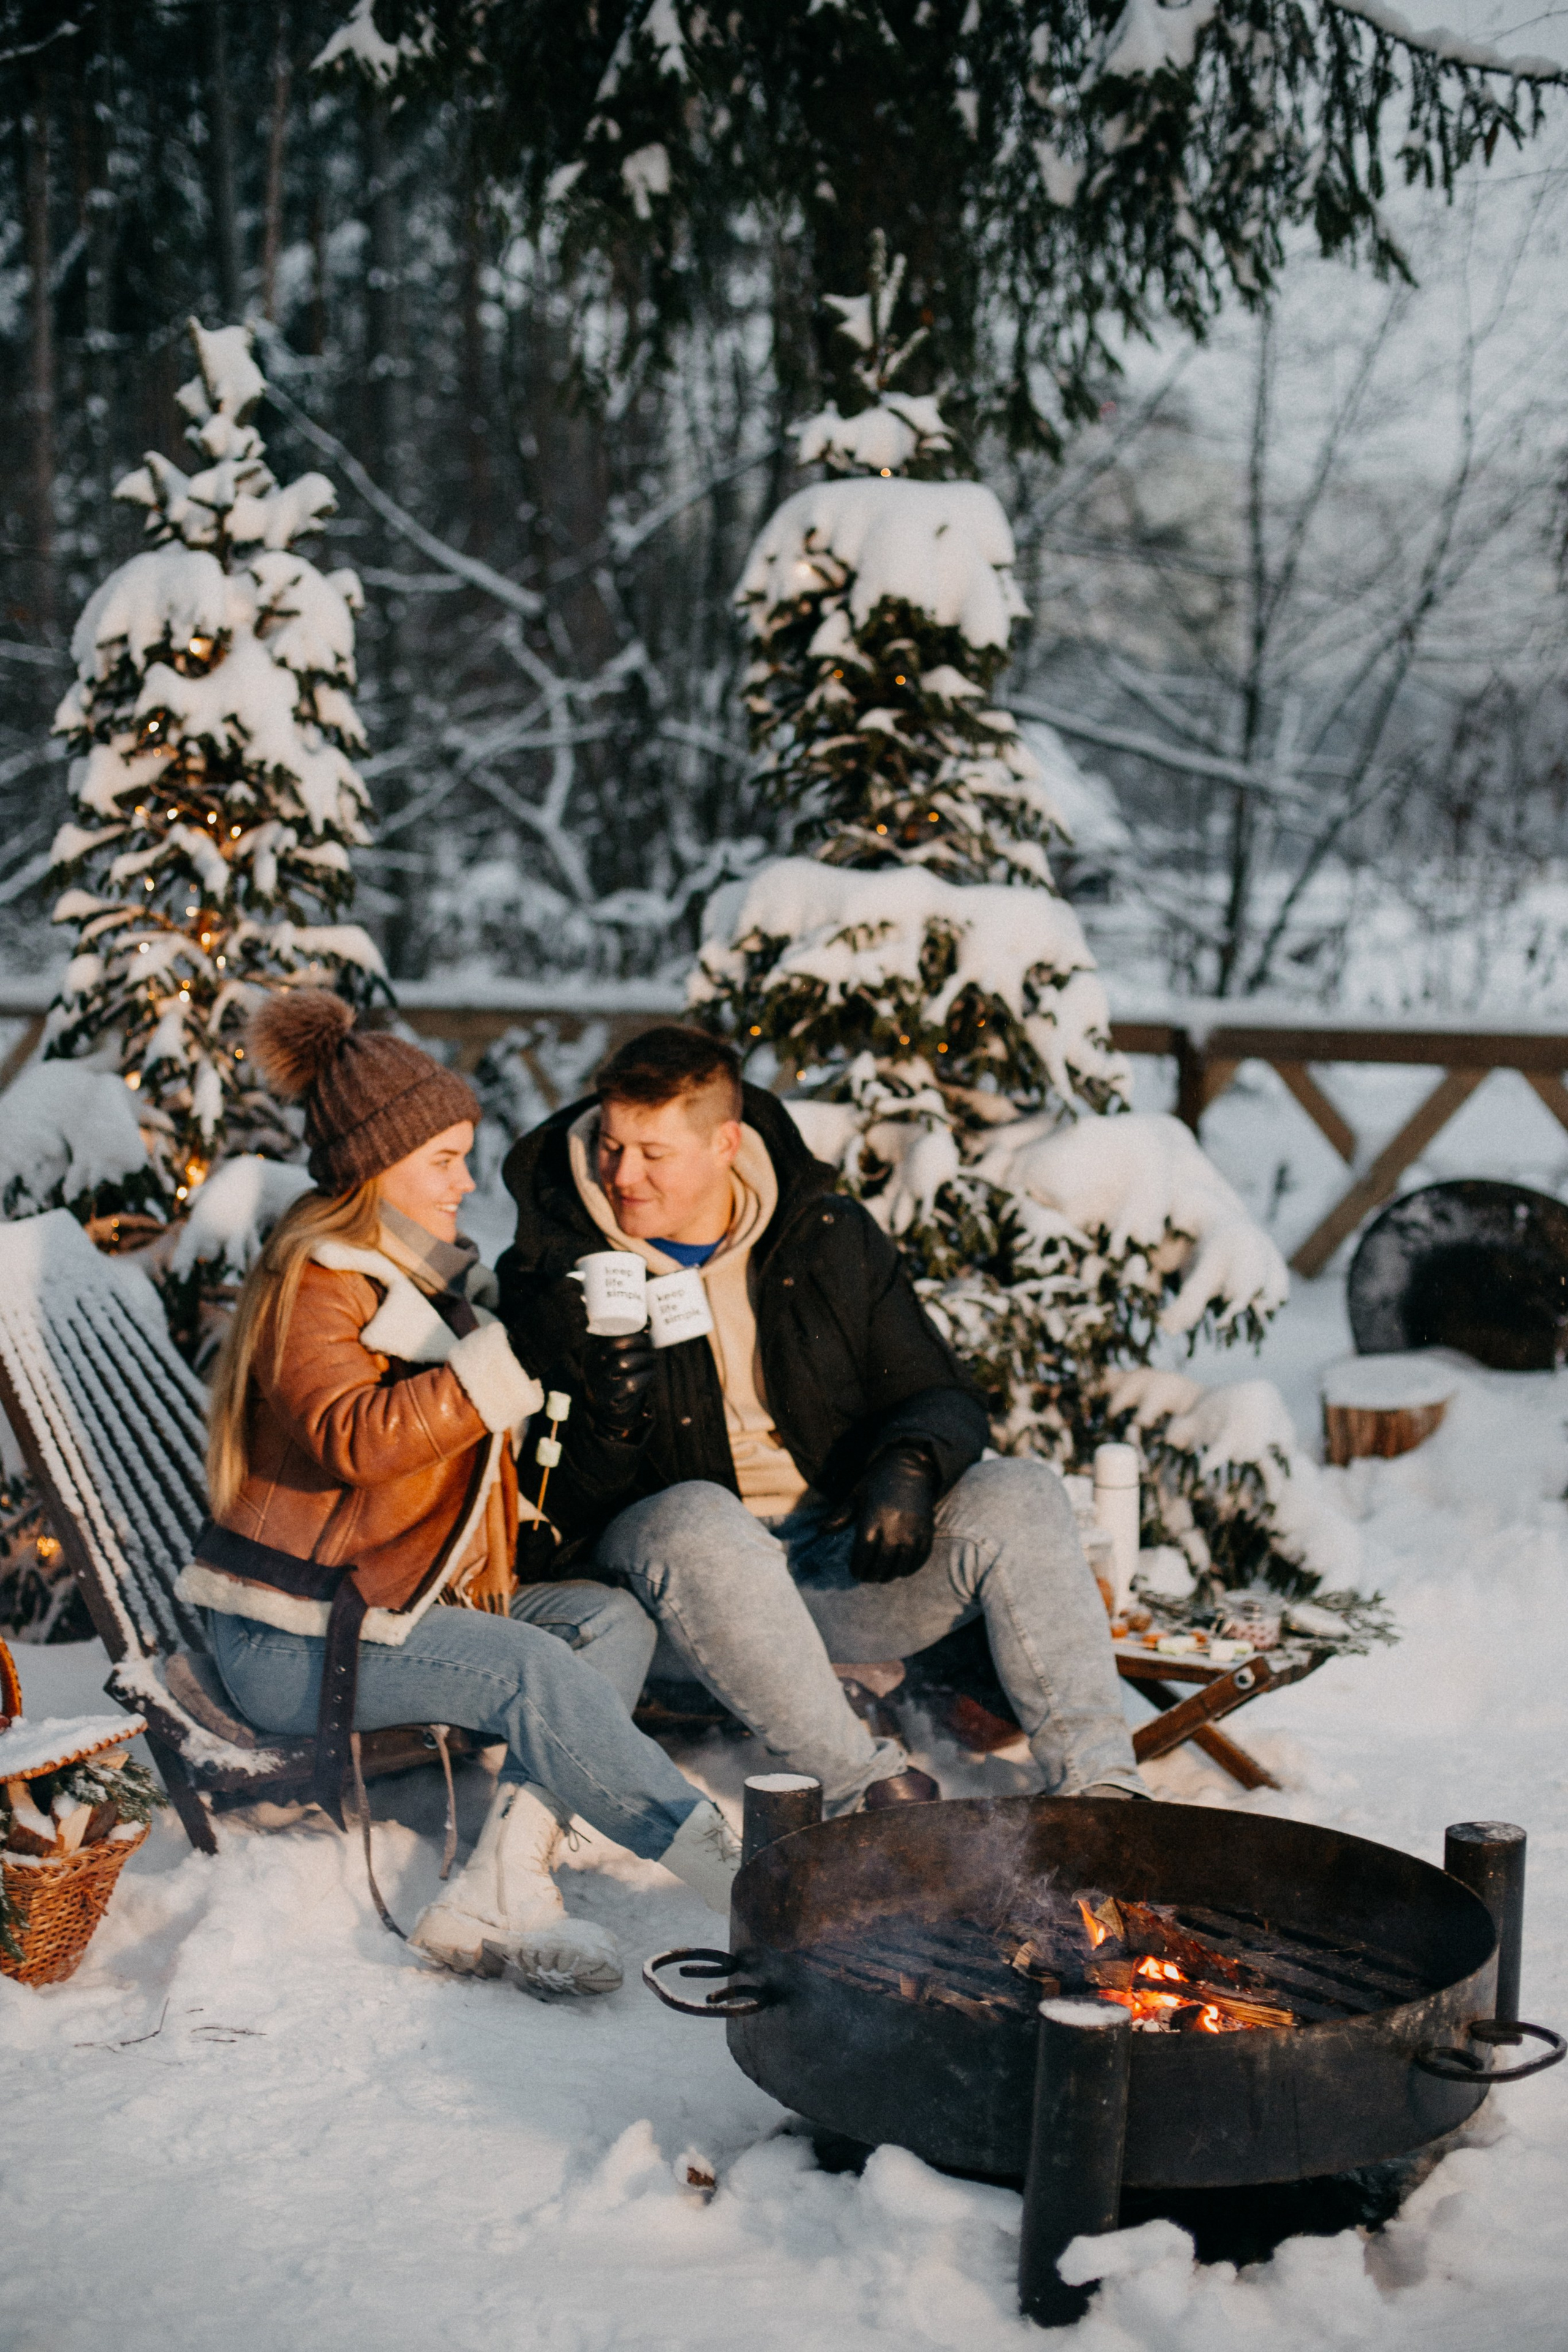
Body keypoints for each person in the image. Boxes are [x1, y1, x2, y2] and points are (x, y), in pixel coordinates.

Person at [184, 992, 739, 1999]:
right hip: (296, 1636)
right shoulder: (321, 1278)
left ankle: (501, 1880)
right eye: (442, 1160)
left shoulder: (427, 1283)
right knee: (530, 1666)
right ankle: (737, 1880)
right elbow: (352, 1437)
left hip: (395, 1601)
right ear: (374, 1168)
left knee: (606, 1622)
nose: (464, 1182)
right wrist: (508, 1362)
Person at [496, 1025, 1146, 1817]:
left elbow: (938, 1392)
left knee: (1020, 1490)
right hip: (676, 1603)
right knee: (699, 1518)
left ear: (725, 1143)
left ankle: (1105, 1792)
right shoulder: (553, 1269)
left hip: (834, 1563)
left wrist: (910, 1460)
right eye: (610, 1142)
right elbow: (543, 1505)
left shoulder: (825, 1235)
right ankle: (869, 1796)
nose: (623, 1173)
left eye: (653, 1153)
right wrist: (609, 1418)